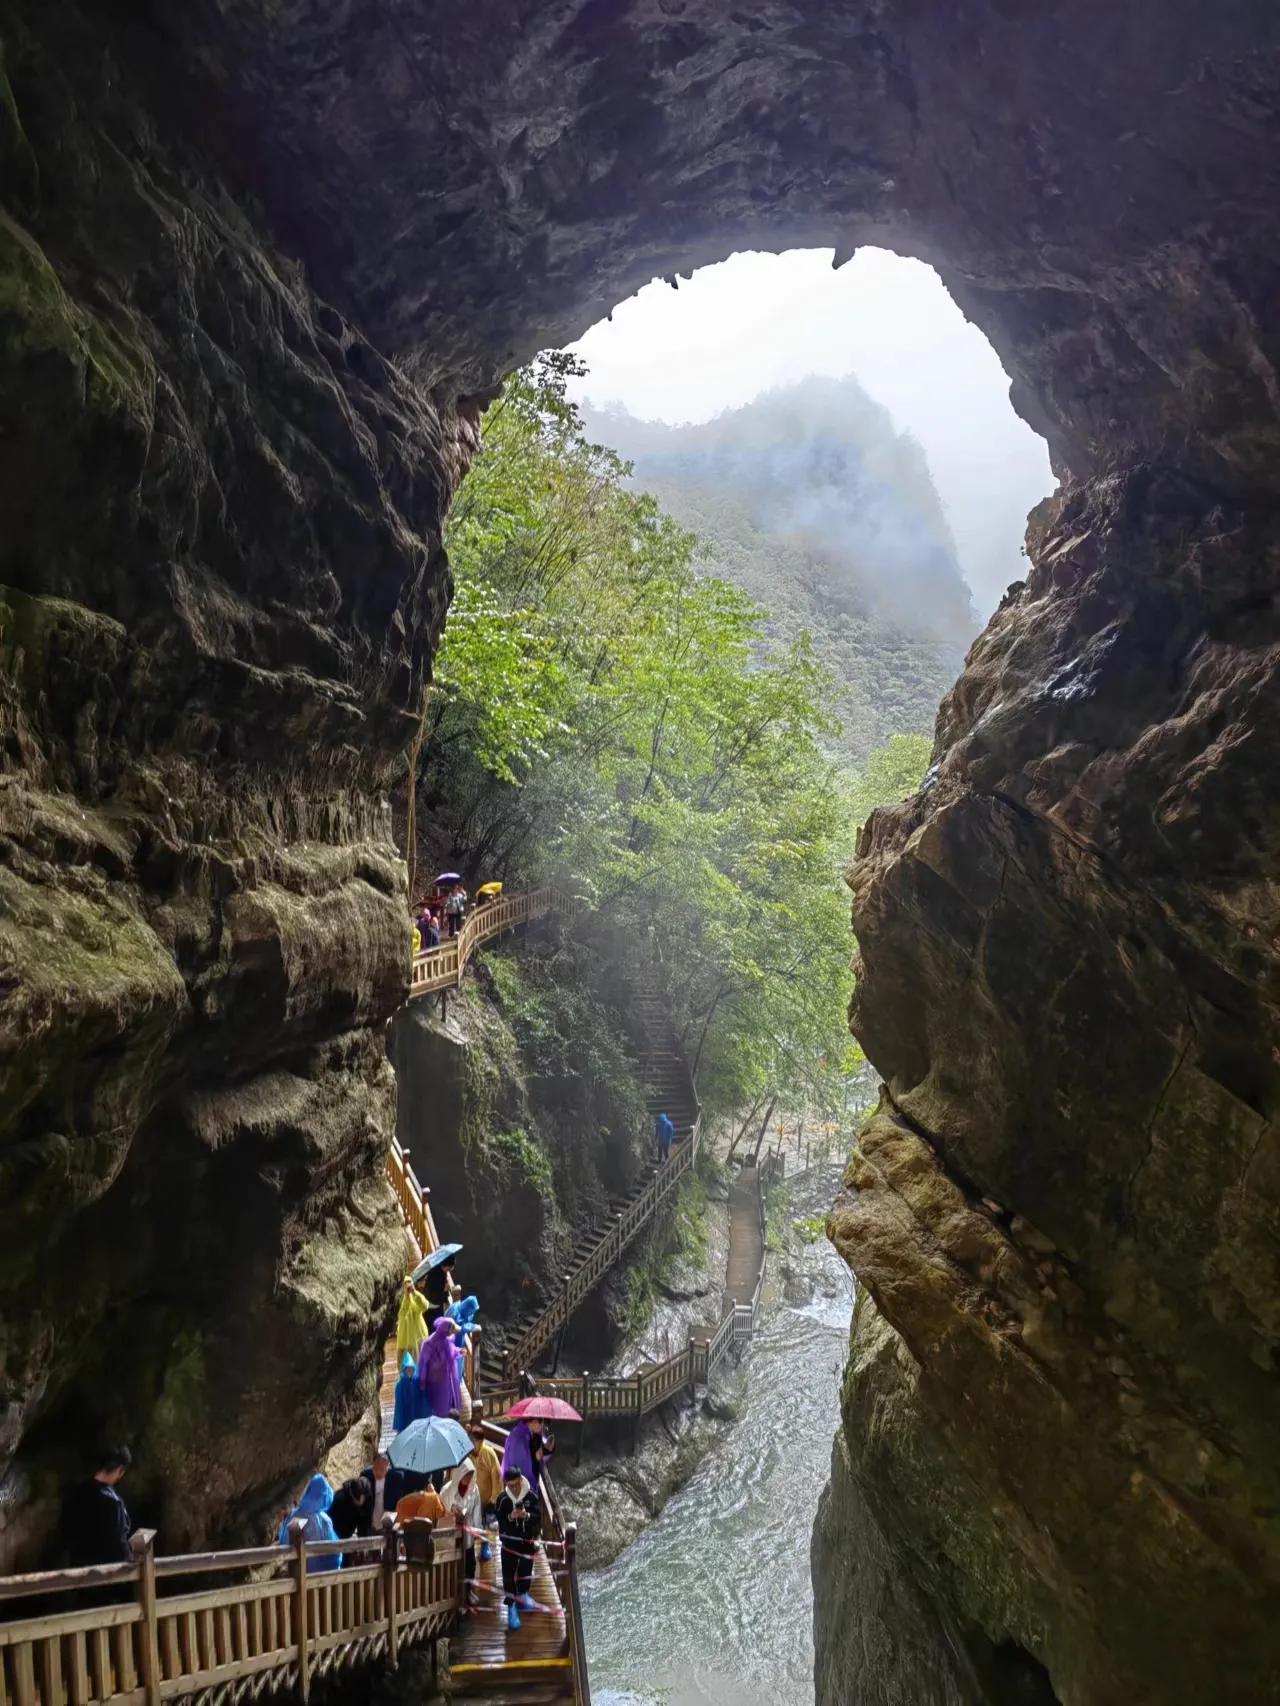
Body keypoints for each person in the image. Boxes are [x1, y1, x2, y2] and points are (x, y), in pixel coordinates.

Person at [62, 1446, 133, 1567]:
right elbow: (119, 1545)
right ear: (120, 1470)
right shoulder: (112, 1502)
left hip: (77, 1573)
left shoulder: (75, 1492)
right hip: (106, 1576)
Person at [495, 1465, 541, 1631]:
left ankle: (523, 1594)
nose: (514, 1489)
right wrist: (510, 1516)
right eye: (510, 1485)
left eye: (516, 1484)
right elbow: (499, 1519)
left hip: (526, 1543)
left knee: (525, 1570)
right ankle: (511, 1605)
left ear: (521, 1480)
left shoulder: (531, 1497)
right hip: (508, 1543)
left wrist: (526, 1516)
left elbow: (537, 1518)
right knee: (508, 1574)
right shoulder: (502, 1500)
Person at [278, 1474, 342, 1572]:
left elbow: (286, 1542)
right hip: (322, 1577)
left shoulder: (298, 1517)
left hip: (299, 1575)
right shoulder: (324, 1520)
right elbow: (335, 1553)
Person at [440, 1459, 483, 1606]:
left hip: (467, 1533)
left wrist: (477, 1529)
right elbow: (440, 1512)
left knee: (469, 1564)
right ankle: (451, 1594)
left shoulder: (474, 1490)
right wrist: (452, 1513)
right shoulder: (446, 1490)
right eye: (466, 1475)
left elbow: (477, 1510)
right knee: (452, 1566)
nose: (468, 1478)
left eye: (471, 1475)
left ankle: (468, 1591)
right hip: (451, 1535)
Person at [467, 1422, 502, 1559]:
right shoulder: (466, 1453)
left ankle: (485, 1545)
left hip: (486, 1497)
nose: (475, 1443)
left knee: (486, 1523)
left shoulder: (489, 1454)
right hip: (470, 1496)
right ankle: (469, 1548)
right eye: (473, 1439)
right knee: (471, 1522)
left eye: (478, 1440)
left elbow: (497, 1477)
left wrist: (494, 1499)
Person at [417, 1315, 462, 1418]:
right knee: (438, 1401)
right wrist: (422, 1381)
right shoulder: (429, 1344)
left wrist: (458, 1351)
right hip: (436, 1380)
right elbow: (423, 1363)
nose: (452, 1333)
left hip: (448, 1377)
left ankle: (449, 1415)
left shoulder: (447, 1339)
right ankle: (440, 1418)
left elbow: (451, 1350)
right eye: (451, 1330)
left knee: (447, 1397)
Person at [501, 1417, 554, 1495]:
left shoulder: (535, 1434)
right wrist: (536, 1457)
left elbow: (540, 1459)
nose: (542, 1425)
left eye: (543, 1421)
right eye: (540, 1421)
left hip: (531, 1485)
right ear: (530, 1422)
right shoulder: (518, 1439)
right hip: (517, 1488)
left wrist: (547, 1450)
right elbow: (520, 1469)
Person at [360, 1451, 406, 1531]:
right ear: (372, 1466)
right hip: (370, 1522)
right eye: (375, 1469)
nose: (378, 1472)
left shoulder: (397, 1478)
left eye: (382, 1469)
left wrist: (396, 1521)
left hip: (388, 1523)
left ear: (388, 1468)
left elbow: (399, 1502)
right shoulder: (366, 1476)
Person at [422, 1253, 460, 1327]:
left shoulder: (439, 1269)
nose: (449, 1271)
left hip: (432, 1302)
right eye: (449, 1269)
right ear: (445, 1265)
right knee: (433, 1324)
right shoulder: (436, 1276)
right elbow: (434, 1295)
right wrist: (445, 1290)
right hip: (433, 1304)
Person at [397, 1276, 430, 1359]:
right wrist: (406, 1296)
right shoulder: (399, 1300)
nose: (408, 1285)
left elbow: (425, 1306)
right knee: (407, 1367)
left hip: (419, 1336)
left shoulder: (415, 1297)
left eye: (409, 1282)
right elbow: (402, 1313)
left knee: (423, 1364)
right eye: (405, 1283)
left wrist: (414, 1292)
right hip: (405, 1339)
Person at [329, 1477, 370, 1542]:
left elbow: (364, 1520)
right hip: (336, 1536)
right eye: (356, 1501)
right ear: (351, 1494)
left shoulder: (367, 1496)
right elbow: (331, 1524)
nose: (360, 1504)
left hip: (351, 1534)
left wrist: (362, 1541)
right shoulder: (339, 1499)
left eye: (363, 1501)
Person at [393, 1352, 418, 1433]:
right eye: (408, 1369)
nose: (410, 1372)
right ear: (404, 1370)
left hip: (414, 1409)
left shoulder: (416, 1381)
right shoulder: (399, 1385)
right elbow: (399, 1404)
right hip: (405, 1411)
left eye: (411, 1369)